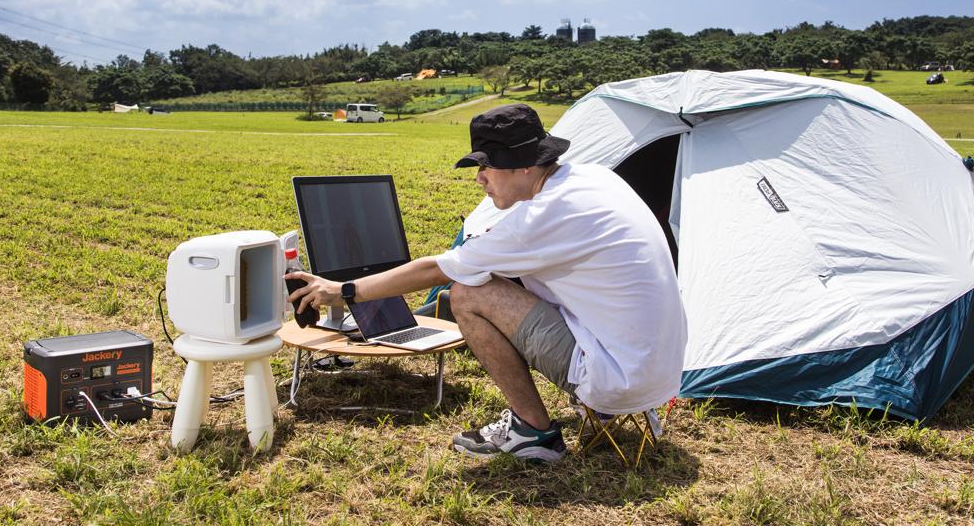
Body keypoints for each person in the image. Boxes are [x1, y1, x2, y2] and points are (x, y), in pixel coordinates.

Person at [287, 103, 686, 462]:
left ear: (524, 165)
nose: (479, 178)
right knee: (487, 279)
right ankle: (603, 407)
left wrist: (341, 290)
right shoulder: (593, 179)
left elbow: (436, 271)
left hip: (619, 378)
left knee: (466, 293)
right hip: (660, 371)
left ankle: (533, 431)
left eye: (486, 165)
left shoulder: (540, 218)